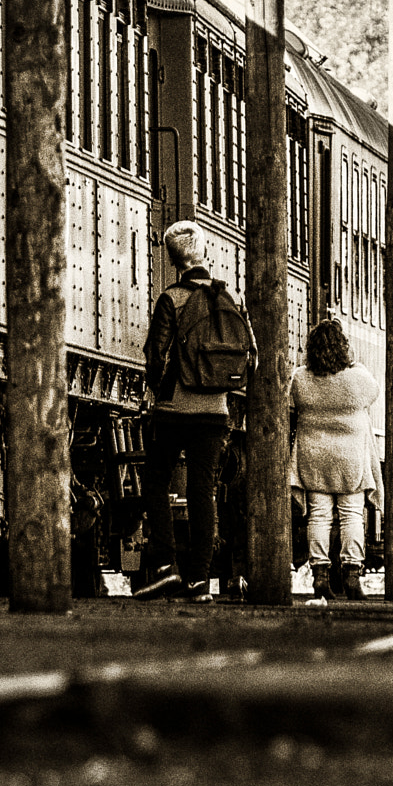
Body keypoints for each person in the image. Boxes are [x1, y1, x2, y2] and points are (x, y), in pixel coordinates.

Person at [136, 221, 254, 601]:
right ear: (205, 253)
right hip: (215, 411)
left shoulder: (171, 298)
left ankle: (167, 565)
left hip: (173, 409)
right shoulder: (230, 299)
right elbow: (251, 358)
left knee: (155, 480)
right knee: (204, 490)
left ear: (173, 260)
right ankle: (201, 580)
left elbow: (155, 357)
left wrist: (162, 390)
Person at [290, 318, 380, 600]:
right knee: (352, 514)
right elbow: (373, 393)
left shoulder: (301, 378)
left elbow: (291, 401)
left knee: (318, 515)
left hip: (314, 458)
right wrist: (351, 361)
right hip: (350, 459)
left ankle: (320, 576)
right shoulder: (358, 378)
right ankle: (352, 575)